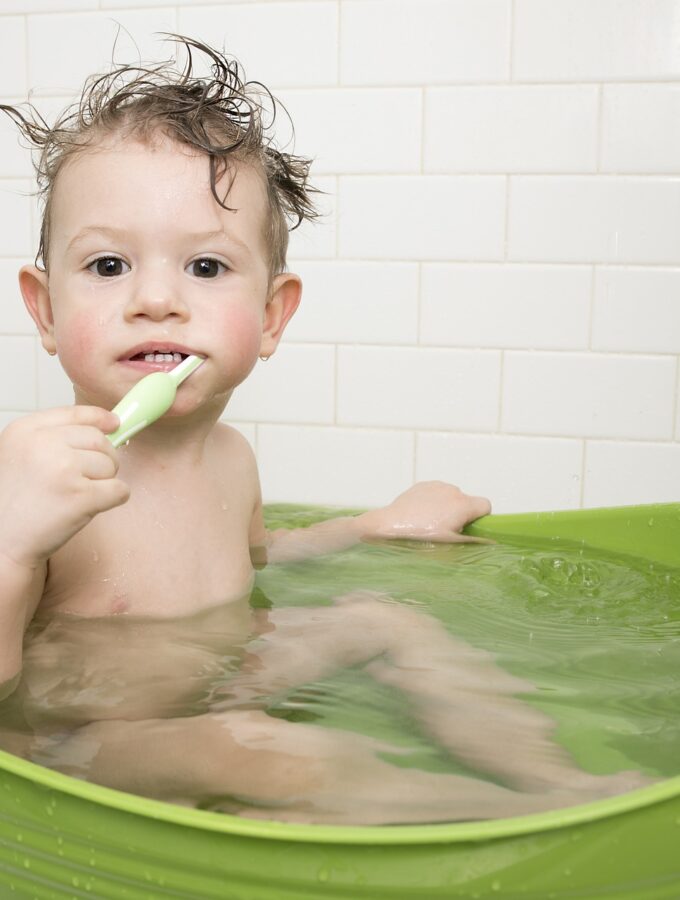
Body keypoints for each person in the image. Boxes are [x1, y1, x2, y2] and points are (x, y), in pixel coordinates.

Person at [0, 36, 646, 825]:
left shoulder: (230, 458)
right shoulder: (40, 479)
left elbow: (256, 558)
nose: (156, 299)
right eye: (108, 267)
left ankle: (560, 786)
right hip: (93, 739)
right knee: (258, 748)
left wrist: (369, 528)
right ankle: (513, 829)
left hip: (224, 675)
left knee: (382, 616)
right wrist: (10, 540)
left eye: (205, 268)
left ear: (272, 316)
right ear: (45, 308)